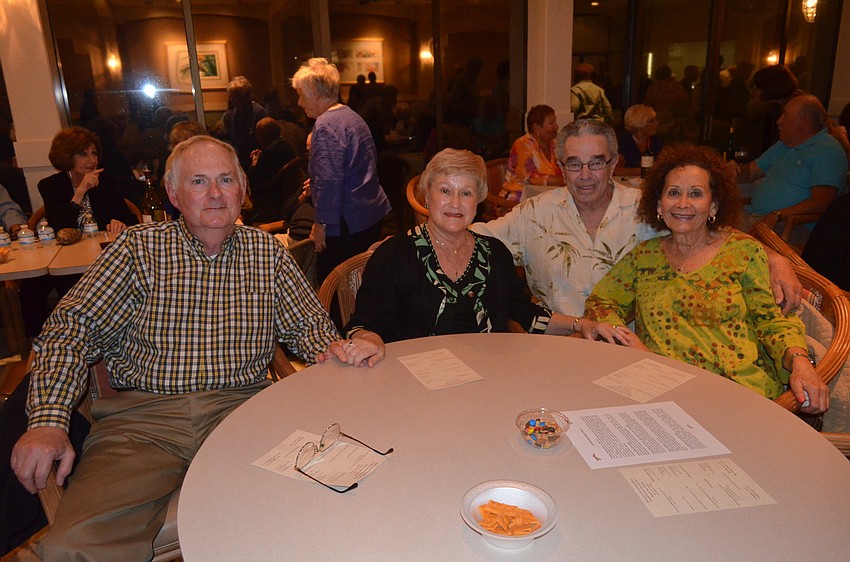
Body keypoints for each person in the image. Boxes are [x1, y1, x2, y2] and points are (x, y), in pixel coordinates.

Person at [9, 135, 382, 561]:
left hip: (244, 413)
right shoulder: (138, 249)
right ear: (173, 194)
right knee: (71, 547)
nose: (216, 193)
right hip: (143, 422)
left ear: (242, 190)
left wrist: (340, 348)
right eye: (199, 181)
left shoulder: (267, 254)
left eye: (226, 179)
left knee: (334, 498)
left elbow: (310, 330)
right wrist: (47, 421)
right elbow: (69, 330)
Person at [581, 144, 827, 412]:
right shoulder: (645, 258)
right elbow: (601, 301)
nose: (683, 204)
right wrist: (631, 343)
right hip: (662, 394)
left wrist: (801, 364)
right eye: (673, 193)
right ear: (659, 205)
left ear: (714, 206)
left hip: (737, 395)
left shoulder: (743, 253)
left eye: (696, 194)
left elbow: (773, 322)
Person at [470, 119, 802, 318]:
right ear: (561, 167)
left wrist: (776, 259)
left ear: (613, 163)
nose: (585, 175)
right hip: (559, 347)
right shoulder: (535, 213)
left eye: (596, 162)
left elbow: (714, 236)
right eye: (574, 163)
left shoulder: (647, 208)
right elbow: (475, 238)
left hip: (631, 348)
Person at [344, 149, 594, 344]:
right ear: (427, 196)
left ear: (478, 200)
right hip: (414, 385)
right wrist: (368, 341)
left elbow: (528, 314)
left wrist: (580, 324)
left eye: (466, 193)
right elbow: (363, 326)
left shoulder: (494, 254)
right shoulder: (394, 256)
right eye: (445, 190)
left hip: (487, 377)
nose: (455, 203)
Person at [290, 57, 391, 283]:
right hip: (368, 213)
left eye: (301, 94)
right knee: (360, 282)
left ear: (315, 92)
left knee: (335, 287)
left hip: (348, 221)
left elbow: (330, 181)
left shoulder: (325, 124)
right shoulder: (350, 115)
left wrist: (320, 225)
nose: (299, 102)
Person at [736, 94, 847, 246]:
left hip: (790, 226)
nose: (778, 121)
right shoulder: (784, 144)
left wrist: (779, 214)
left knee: (717, 237)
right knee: (709, 220)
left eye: (785, 115)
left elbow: (821, 202)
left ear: (804, 121)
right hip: (754, 215)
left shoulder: (828, 150)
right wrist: (727, 172)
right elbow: (751, 172)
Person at [38, 127, 139, 233]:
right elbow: (59, 228)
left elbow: (131, 219)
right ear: (67, 157)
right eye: (83, 154)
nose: (93, 160)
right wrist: (80, 191)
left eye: (94, 153)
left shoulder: (106, 181)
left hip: (103, 245)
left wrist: (120, 223)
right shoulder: (50, 185)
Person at [500, 104, 564, 202]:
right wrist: (560, 180)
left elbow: (565, 167)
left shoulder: (554, 144)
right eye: (551, 123)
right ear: (537, 127)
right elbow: (529, 177)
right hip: (519, 198)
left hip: (547, 196)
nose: (556, 126)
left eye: (555, 122)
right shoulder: (523, 144)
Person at [247, 117, 297, 224]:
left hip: (269, 198)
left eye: (258, 134)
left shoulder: (271, 155)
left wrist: (254, 162)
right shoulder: (287, 146)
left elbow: (252, 180)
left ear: (266, 135)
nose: (257, 138)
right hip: (283, 195)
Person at [218, 76, 268, 169]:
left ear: (247, 96)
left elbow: (265, 143)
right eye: (232, 97)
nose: (234, 100)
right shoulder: (230, 116)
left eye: (237, 97)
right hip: (237, 161)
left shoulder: (259, 113)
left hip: (257, 161)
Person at [616, 104, 663, 173]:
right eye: (651, 121)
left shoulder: (655, 141)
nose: (656, 123)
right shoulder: (626, 141)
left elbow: (662, 166)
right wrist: (643, 171)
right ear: (640, 125)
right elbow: (616, 170)